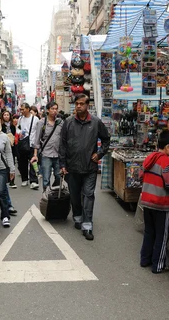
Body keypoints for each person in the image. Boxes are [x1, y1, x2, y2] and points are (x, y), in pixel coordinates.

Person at [59, 94, 110, 241]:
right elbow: (62, 145)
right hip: (72, 167)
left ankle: (87, 225)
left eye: (82, 104)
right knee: (75, 195)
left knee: (88, 195)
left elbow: (106, 140)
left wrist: (99, 154)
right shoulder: (68, 122)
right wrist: (62, 165)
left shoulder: (95, 123)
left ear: (88, 105)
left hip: (89, 167)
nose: (79, 106)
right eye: (77, 104)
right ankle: (77, 217)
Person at [139, 130, 169, 274]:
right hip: (162, 203)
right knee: (162, 236)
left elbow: (140, 174)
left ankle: (145, 259)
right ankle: (158, 265)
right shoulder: (166, 161)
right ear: (168, 147)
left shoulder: (150, 157)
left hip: (147, 201)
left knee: (149, 232)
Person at [31, 102, 63, 192]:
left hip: (58, 154)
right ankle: (47, 197)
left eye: (56, 109)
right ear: (48, 110)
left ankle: (54, 193)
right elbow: (37, 140)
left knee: (58, 176)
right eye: (52, 109)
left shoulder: (60, 122)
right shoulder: (42, 123)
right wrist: (35, 155)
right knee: (46, 179)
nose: (54, 111)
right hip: (46, 154)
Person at [16, 103, 39, 188]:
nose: (21, 111)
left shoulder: (35, 119)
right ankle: (24, 179)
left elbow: (38, 131)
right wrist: (19, 132)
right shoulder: (20, 119)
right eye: (20, 109)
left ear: (28, 109)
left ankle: (34, 181)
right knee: (22, 162)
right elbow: (17, 128)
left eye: (23, 109)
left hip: (32, 143)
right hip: (23, 143)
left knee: (33, 162)